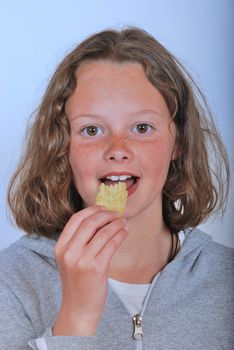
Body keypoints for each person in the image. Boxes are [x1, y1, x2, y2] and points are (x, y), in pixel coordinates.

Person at [0, 27, 233, 350]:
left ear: (177, 142)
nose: (118, 149)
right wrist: (76, 318)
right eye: (92, 129)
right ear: (61, 145)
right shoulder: (10, 282)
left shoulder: (226, 279)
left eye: (141, 127)